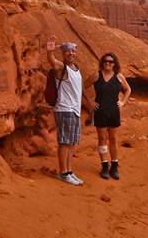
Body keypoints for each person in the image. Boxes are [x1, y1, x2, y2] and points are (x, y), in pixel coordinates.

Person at [47, 36, 84, 186]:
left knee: (71, 143)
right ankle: (63, 173)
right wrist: (50, 52)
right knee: (64, 142)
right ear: (63, 54)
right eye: (68, 51)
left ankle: (69, 171)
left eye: (73, 51)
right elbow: (53, 62)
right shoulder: (62, 67)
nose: (71, 53)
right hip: (65, 109)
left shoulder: (76, 69)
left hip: (75, 110)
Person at [92, 52, 131, 180]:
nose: (107, 63)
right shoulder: (96, 75)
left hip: (113, 111)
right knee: (102, 138)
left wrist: (123, 102)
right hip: (100, 111)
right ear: (102, 63)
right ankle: (104, 165)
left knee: (113, 138)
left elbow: (128, 89)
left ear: (115, 64)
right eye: (105, 61)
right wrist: (89, 102)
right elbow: (81, 87)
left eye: (110, 61)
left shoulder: (119, 77)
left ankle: (114, 165)